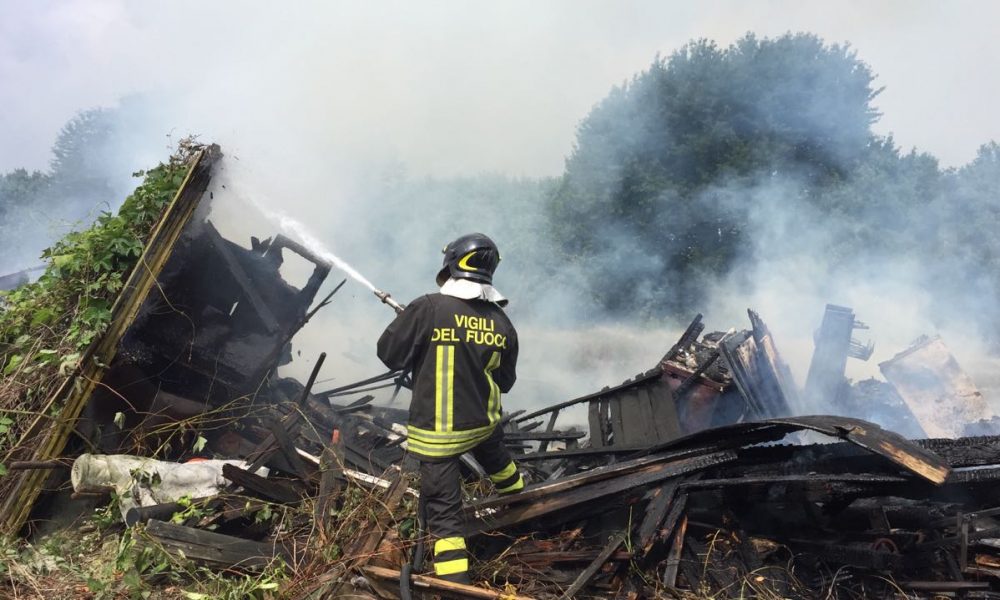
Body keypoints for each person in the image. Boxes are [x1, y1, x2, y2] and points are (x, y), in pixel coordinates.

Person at [377, 233, 523, 584]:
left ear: (452, 263)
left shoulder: (427, 308)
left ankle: (454, 586)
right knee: (500, 464)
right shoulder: (502, 322)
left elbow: (389, 355)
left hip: (439, 436)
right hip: (484, 425)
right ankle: (523, 504)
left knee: (445, 517)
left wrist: (420, 337)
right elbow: (505, 382)